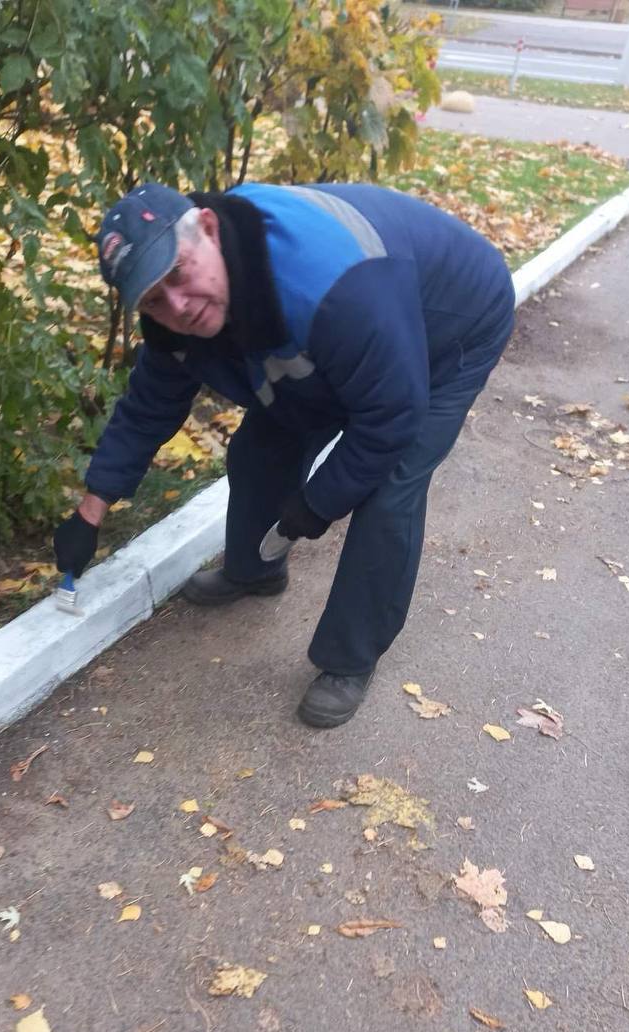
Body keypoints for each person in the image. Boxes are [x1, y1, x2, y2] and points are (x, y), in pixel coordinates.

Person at [53, 180, 515, 728]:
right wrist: (90, 513)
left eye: (177, 273)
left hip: (453, 322)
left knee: (389, 491)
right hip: (360, 333)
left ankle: (350, 659)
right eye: (153, 299)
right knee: (261, 446)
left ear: (208, 229)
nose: (177, 305)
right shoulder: (184, 312)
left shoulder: (334, 288)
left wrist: (317, 504)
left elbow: (389, 419)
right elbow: (146, 409)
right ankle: (255, 571)